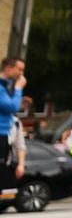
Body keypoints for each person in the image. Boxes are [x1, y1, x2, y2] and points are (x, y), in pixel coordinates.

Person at [0, 58, 24, 201]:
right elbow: (11, 107)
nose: (21, 74)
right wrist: (19, 88)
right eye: (19, 69)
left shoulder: (7, 86)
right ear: (9, 68)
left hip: (4, 134)